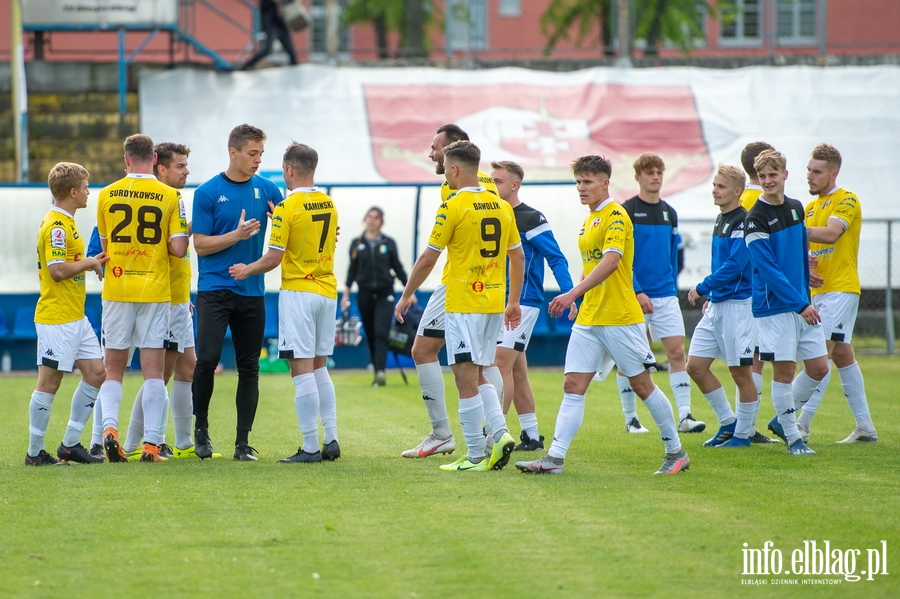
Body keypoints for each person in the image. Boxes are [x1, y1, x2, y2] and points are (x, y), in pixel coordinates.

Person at [515, 155, 689, 475]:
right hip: (590, 317)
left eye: (588, 182)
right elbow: (590, 265)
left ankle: (675, 451)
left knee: (642, 385)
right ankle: (555, 458)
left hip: (619, 315)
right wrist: (579, 300)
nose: (581, 188)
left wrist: (571, 293)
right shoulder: (590, 218)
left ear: (605, 182)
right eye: (578, 182)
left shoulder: (616, 216)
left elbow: (610, 262)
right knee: (573, 384)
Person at [395, 140, 524, 472]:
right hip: (494, 301)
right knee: (480, 372)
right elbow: (517, 256)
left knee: (464, 376)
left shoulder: (452, 205)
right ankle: (501, 434)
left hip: (464, 301)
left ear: (453, 169)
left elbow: (428, 258)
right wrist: (512, 301)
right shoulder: (501, 205)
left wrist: (407, 292)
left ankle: (475, 454)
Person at [229, 143, 341, 463]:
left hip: (299, 292)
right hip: (326, 290)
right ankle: (331, 439)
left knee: (301, 368)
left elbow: (274, 258)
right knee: (320, 366)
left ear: (289, 170)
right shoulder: (328, 202)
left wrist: (247, 269)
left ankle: (309, 447)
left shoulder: (287, 209)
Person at [119, 143, 222, 460]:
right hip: (162, 299)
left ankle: (183, 443)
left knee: (188, 366)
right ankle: (137, 444)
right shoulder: (164, 199)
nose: (186, 171)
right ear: (160, 168)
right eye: (180, 166)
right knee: (159, 373)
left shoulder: (170, 200)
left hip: (178, 298)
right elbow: (166, 245)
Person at [191, 124, 283, 461]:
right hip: (214, 290)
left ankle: (242, 443)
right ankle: (201, 431)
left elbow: (291, 227)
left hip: (252, 291)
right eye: (252, 153)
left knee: (249, 367)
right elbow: (199, 245)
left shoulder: (270, 190)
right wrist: (236, 235)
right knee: (208, 360)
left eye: (261, 154)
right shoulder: (207, 192)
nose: (258, 160)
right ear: (233, 152)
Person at [95, 134, 189, 462]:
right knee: (153, 372)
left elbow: (105, 249)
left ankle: (109, 430)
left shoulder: (106, 195)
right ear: (153, 159)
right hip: (154, 290)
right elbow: (178, 249)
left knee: (113, 369)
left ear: (125, 160)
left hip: (118, 290)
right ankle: (151, 445)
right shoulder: (169, 195)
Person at [744, 149, 828, 455]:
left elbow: (798, 253)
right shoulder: (755, 219)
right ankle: (794, 439)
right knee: (785, 372)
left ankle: (782, 420)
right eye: (763, 176)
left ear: (784, 175)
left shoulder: (796, 208)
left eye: (773, 175)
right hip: (775, 308)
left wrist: (806, 289)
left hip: (800, 302)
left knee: (820, 368)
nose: (767, 181)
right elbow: (768, 270)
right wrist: (800, 303)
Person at [488, 160, 575, 452]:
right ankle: (532, 436)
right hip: (496, 302)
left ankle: (494, 438)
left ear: (515, 184)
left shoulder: (530, 218)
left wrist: (569, 293)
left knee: (499, 364)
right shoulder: (491, 215)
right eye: (491, 180)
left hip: (522, 303)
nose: (493, 186)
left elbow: (557, 258)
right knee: (516, 370)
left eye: (498, 181)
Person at [25, 163, 108, 466]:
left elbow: (70, 264)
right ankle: (34, 453)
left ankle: (70, 444)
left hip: (75, 315)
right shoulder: (57, 226)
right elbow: (57, 271)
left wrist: (91, 261)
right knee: (50, 382)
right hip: (56, 317)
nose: (88, 192)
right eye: (86, 187)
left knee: (97, 374)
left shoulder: (68, 222)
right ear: (73, 192)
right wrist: (87, 263)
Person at [795, 144, 877, 443]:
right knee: (841, 354)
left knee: (821, 354)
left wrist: (795, 231)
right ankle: (866, 428)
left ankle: (799, 423)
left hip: (841, 288)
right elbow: (802, 247)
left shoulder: (847, 199)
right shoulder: (810, 207)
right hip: (818, 290)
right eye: (808, 171)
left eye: (816, 172)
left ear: (833, 172)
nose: (810, 177)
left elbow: (830, 234)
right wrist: (804, 258)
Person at [618, 153, 704, 435]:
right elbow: (620, 259)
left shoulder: (670, 212)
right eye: (649, 172)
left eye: (659, 172)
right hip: (634, 296)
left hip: (666, 295)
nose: (655, 177)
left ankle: (685, 416)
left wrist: (669, 281)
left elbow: (674, 254)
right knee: (629, 356)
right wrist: (638, 290)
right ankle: (631, 419)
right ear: (638, 177)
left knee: (677, 352)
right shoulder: (627, 211)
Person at [685, 165, 758, 448]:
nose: (715, 190)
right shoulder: (721, 218)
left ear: (737, 191)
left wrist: (704, 288)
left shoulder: (743, 221)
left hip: (738, 307)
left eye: (721, 186)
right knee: (695, 367)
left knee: (741, 373)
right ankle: (729, 422)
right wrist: (712, 297)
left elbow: (736, 264)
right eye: (714, 185)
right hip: (718, 305)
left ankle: (743, 435)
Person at [734, 141, 780, 444]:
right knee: (758, 359)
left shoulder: (740, 197)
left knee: (754, 358)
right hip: (760, 289)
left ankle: (747, 426)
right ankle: (747, 427)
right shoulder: (763, 201)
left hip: (745, 287)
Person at [341, 206, 409, 386]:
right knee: (370, 333)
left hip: (384, 293)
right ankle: (376, 369)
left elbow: (398, 267)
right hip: (364, 294)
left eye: (376, 217)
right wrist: (345, 294)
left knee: (381, 331)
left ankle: (380, 371)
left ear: (381, 221)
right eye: (369, 217)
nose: (372, 220)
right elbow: (352, 270)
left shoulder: (388, 243)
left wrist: (409, 290)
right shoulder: (357, 243)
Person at [242, 0, 298, 69]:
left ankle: (295, 69)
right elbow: (264, 12)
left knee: (292, 52)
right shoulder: (266, 2)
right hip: (272, 27)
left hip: (282, 27)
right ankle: (246, 66)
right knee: (267, 50)